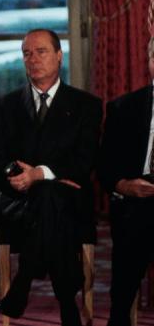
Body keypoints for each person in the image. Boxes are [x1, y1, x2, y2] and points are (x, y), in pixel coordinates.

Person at [0, 29, 102, 326]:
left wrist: (40, 174)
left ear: (59, 56)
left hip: (69, 201)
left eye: (41, 51)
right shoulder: (4, 106)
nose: (33, 59)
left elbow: (85, 161)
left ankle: (23, 282)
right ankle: (67, 299)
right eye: (26, 53)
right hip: (18, 200)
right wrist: (19, 175)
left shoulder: (86, 104)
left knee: (49, 196)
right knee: (48, 197)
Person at [97, 37, 154, 326]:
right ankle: (119, 316)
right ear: (151, 61)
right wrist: (124, 186)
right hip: (137, 200)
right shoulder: (124, 108)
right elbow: (105, 167)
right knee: (133, 223)